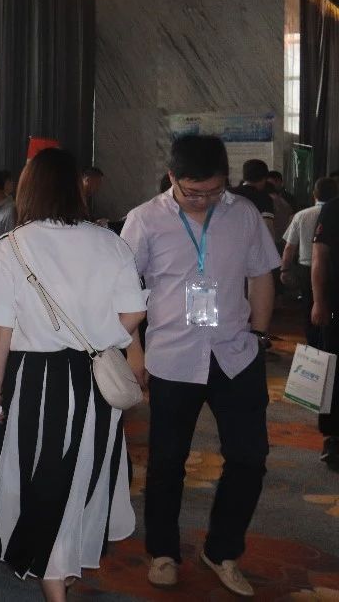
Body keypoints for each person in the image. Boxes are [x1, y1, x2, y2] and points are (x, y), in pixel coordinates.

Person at [0, 148, 146, 601]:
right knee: (83, 468)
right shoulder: (109, 241)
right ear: (77, 188)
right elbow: (134, 312)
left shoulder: (14, 245)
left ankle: (53, 571)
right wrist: (100, 337)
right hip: (97, 374)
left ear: (28, 189)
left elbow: (0, 328)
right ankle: (65, 559)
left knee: (40, 470)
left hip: (37, 376)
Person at [121, 135, 277, 598]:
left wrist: (260, 336)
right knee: (167, 462)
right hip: (173, 357)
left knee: (249, 458)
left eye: (213, 190)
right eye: (193, 192)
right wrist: (133, 349)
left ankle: (223, 550)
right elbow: (124, 289)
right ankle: (163, 552)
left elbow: (261, 276)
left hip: (236, 354)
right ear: (172, 177)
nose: (204, 200)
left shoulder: (244, 214)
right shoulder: (144, 220)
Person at [283, 177, 338, 344]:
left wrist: (285, 269)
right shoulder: (332, 210)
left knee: (310, 308)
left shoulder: (302, 215)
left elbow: (289, 247)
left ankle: (314, 345)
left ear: (314, 194)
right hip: (328, 270)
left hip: (307, 269)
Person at [308, 189, 339, 469]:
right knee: (335, 372)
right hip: (337, 305)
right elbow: (319, 258)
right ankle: (334, 437)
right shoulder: (333, 208)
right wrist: (319, 302)